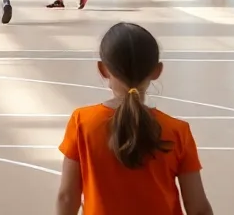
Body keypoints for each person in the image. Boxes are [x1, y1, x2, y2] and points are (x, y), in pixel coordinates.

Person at [56, 22, 213, 215]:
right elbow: (197, 209)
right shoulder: (177, 130)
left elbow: (67, 197)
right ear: (157, 71)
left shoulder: (82, 122)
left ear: (103, 69)